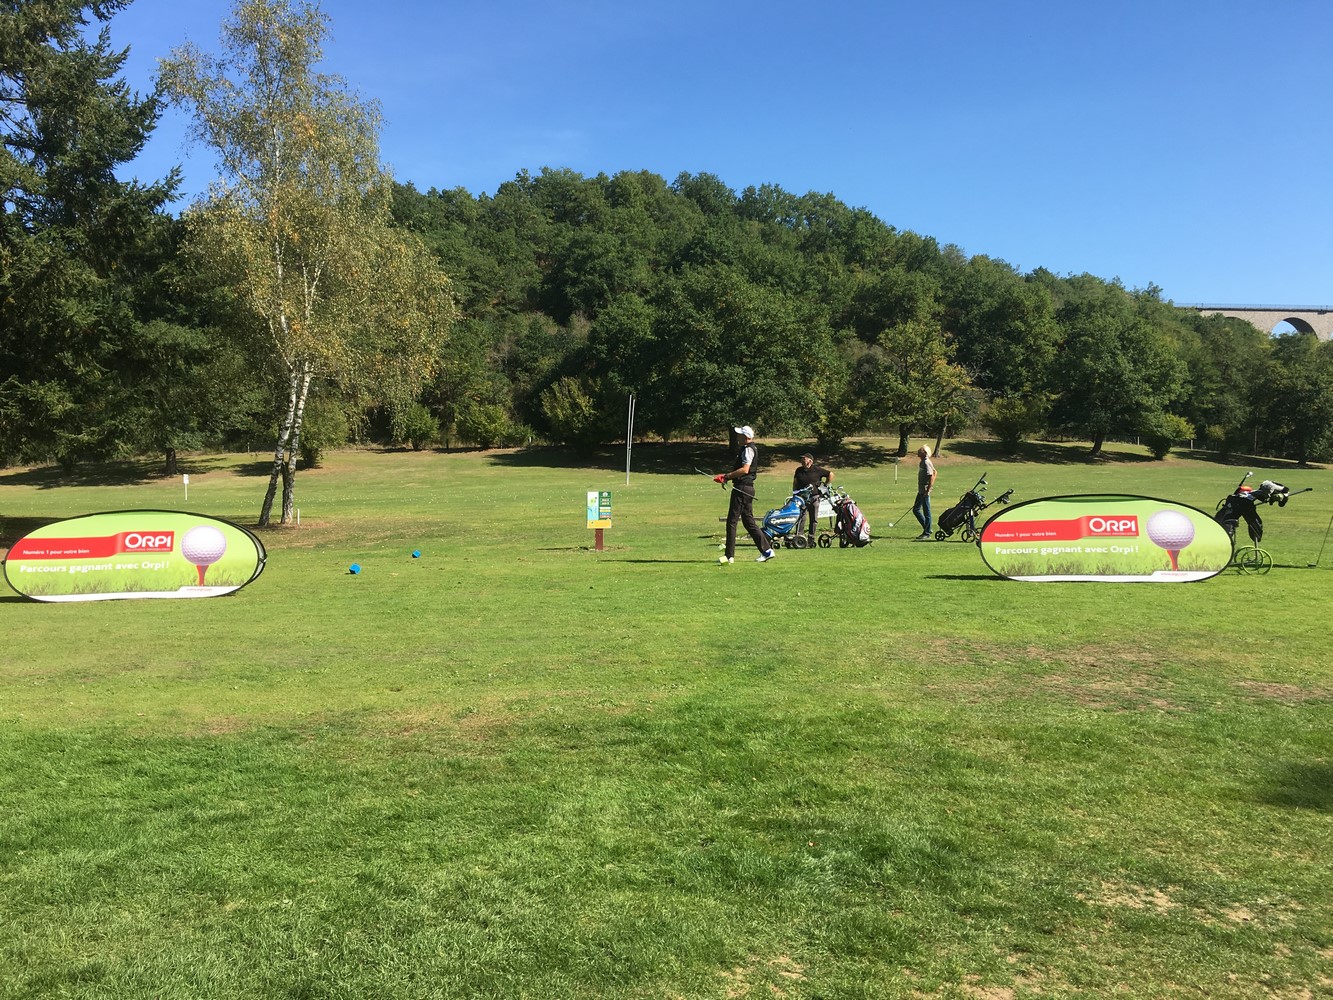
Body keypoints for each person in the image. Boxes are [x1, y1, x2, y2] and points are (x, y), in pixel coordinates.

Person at [714, 425, 775, 563]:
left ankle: (729, 556)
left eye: (740, 435)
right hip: (746, 488)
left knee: (732, 521)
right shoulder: (747, 448)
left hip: (742, 488)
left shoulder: (748, 449)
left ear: (746, 437)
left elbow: (745, 469)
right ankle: (767, 551)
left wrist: (727, 476)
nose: (738, 437)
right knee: (748, 522)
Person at [792, 453, 833, 545]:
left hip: (814, 497)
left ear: (810, 461)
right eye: (802, 459)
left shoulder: (817, 470)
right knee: (801, 518)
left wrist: (825, 486)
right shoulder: (799, 470)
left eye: (804, 459)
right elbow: (795, 482)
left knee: (813, 519)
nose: (802, 460)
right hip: (802, 498)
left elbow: (831, 474)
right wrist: (794, 493)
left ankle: (811, 539)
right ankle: (799, 538)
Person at [912, 444, 936, 540]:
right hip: (921, 490)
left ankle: (927, 533)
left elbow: (932, 476)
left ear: (924, 453)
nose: (918, 451)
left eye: (921, 450)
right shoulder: (922, 462)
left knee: (926, 512)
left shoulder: (926, 462)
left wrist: (928, 490)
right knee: (916, 509)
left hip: (925, 491)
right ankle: (927, 528)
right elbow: (935, 472)